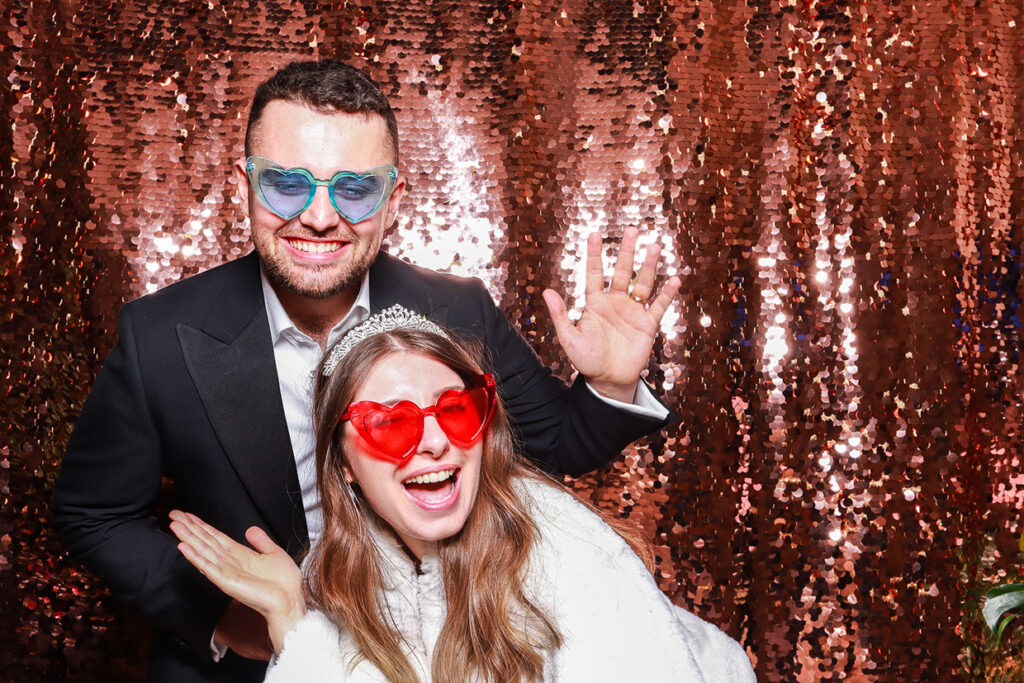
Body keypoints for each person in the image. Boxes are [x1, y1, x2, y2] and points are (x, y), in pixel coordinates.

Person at [52, 60, 682, 682]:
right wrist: (219, 617)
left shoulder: (456, 307)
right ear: (243, 183)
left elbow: (555, 446)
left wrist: (611, 384)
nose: (320, 217)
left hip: (432, 653)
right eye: (286, 184)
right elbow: (92, 514)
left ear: (393, 198)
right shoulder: (158, 337)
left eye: (353, 188)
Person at [169, 311, 755, 682]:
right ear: (343, 463)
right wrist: (292, 618)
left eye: (455, 410)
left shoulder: (561, 547)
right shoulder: (347, 576)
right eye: (389, 423)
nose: (432, 443)